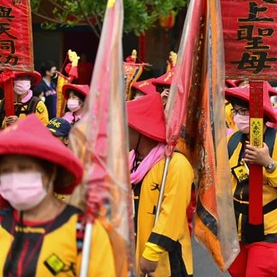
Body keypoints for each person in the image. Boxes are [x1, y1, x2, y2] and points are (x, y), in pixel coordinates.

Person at [0, 114, 115, 276]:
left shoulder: (85, 232)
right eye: (5, 171)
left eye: (24, 168)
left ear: (51, 172)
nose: (14, 178)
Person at [224, 84, 277, 277]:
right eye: (236, 111)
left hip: (270, 228)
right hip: (237, 228)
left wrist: (268, 163)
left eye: (244, 111)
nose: (238, 116)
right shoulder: (232, 140)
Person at [127, 92, 194, 276]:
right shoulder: (129, 162)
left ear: (141, 130)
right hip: (134, 260)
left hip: (166, 262)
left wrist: (152, 252)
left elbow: (172, 213)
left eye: (127, 127)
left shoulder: (174, 164)